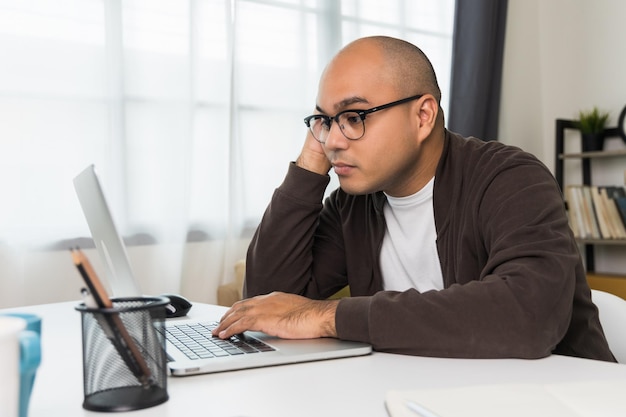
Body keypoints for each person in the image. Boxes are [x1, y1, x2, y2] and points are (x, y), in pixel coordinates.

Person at [212, 36, 615, 361]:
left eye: (353, 117)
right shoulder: (353, 203)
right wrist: (310, 163)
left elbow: (529, 315)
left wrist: (325, 316)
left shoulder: (511, 178)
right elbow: (267, 301)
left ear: (422, 116)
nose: (333, 140)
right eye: (323, 120)